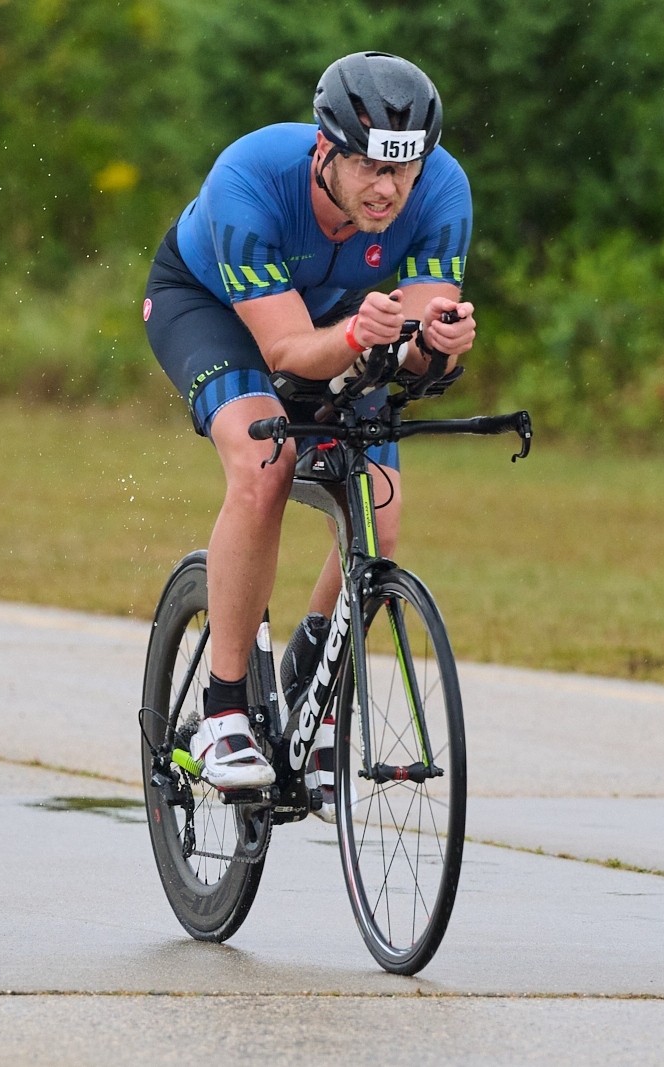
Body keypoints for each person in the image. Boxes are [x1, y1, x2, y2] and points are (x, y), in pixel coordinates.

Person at [142, 52, 475, 818]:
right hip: (213, 312)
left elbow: (416, 336)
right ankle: (226, 705)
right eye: (369, 168)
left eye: (406, 171)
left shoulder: (442, 189)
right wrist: (364, 332)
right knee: (267, 462)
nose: (389, 190)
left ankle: (314, 686)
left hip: (340, 323)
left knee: (379, 516)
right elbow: (288, 354)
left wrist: (438, 343)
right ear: (324, 150)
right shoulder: (250, 178)